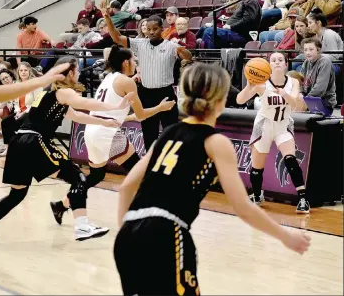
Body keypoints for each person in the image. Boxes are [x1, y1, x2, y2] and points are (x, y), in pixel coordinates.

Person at [114, 62, 311, 295]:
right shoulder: (215, 142)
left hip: (127, 235)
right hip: (166, 232)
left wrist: (127, 231)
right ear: (220, 100)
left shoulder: (168, 133)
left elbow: (127, 187)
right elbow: (243, 208)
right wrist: (285, 235)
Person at [0, 57, 134, 245]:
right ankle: (82, 225)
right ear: (70, 73)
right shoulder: (64, 91)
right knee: (78, 177)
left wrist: (105, 122)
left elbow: (77, 115)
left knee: (16, 194)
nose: (79, 73)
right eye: (77, 70)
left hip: (18, 142)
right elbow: (85, 104)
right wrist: (116, 106)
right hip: (34, 140)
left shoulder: (51, 93)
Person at [50, 45, 176, 226]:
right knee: (137, 170)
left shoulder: (110, 78)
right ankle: (149, 214)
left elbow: (119, 105)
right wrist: (160, 108)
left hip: (92, 130)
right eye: (134, 60)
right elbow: (140, 116)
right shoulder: (126, 82)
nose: (135, 63)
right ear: (126, 62)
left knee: (96, 175)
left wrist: (132, 79)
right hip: (106, 133)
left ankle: (61, 205)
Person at [103, 9, 192, 152]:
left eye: (155, 29)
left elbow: (188, 57)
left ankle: (170, 166)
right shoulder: (140, 44)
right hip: (146, 94)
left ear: (161, 29)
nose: (151, 32)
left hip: (166, 93)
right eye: (149, 29)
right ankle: (151, 164)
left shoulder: (170, 46)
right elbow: (117, 38)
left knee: (171, 133)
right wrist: (107, 18)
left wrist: (183, 51)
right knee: (149, 134)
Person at [236, 53, 311, 213]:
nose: (277, 62)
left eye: (280, 60)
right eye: (273, 60)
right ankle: (257, 195)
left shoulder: (293, 82)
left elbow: (294, 104)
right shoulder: (261, 83)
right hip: (264, 125)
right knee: (257, 166)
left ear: (286, 64)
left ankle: (303, 199)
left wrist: (284, 94)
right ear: (269, 65)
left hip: (283, 125)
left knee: (290, 159)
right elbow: (239, 100)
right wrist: (249, 87)